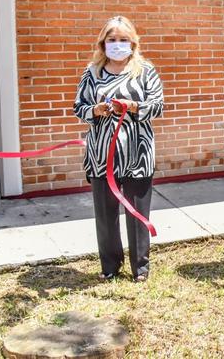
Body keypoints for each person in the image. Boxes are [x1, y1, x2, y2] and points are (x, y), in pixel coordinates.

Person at [73, 15, 164, 282]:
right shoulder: (92, 73)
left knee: (137, 213)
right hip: (102, 157)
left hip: (138, 154)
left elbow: (158, 106)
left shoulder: (146, 70)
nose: (117, 44)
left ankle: (140, 268)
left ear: (133, 43)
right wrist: (96, 110)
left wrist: (133, 106)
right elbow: (79, 108)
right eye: (112, 40)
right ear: (102, 44)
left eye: (123, 39)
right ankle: (110, 266)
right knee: (105, 215)